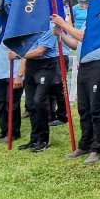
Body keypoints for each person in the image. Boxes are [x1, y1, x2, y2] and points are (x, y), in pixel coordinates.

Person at [52, 8, 100, 162]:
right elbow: (74, 44)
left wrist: (64, 24)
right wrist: (61, 35)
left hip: (99, 66)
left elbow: (83, 37)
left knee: (97, 108)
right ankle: (85, 144)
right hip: (84, 67)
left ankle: (98, 147)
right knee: (84, 108)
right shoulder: (86, 22)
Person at [15, 23, 62, 153]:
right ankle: (34, 138)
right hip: (32, 65)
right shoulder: (30, 27)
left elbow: (40, 51)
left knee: (39, 101)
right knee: (30, 104)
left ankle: (44, 139)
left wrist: (18, 54)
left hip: (46, 65)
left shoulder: (50, 26)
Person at [0, 42, 23, 143]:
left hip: (14, 73)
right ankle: (4, 130)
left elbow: (26, 52)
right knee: (0, 103)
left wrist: (20, 75)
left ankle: (14, 132)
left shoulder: (17, 31)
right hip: (0, 73)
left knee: (11, 104)